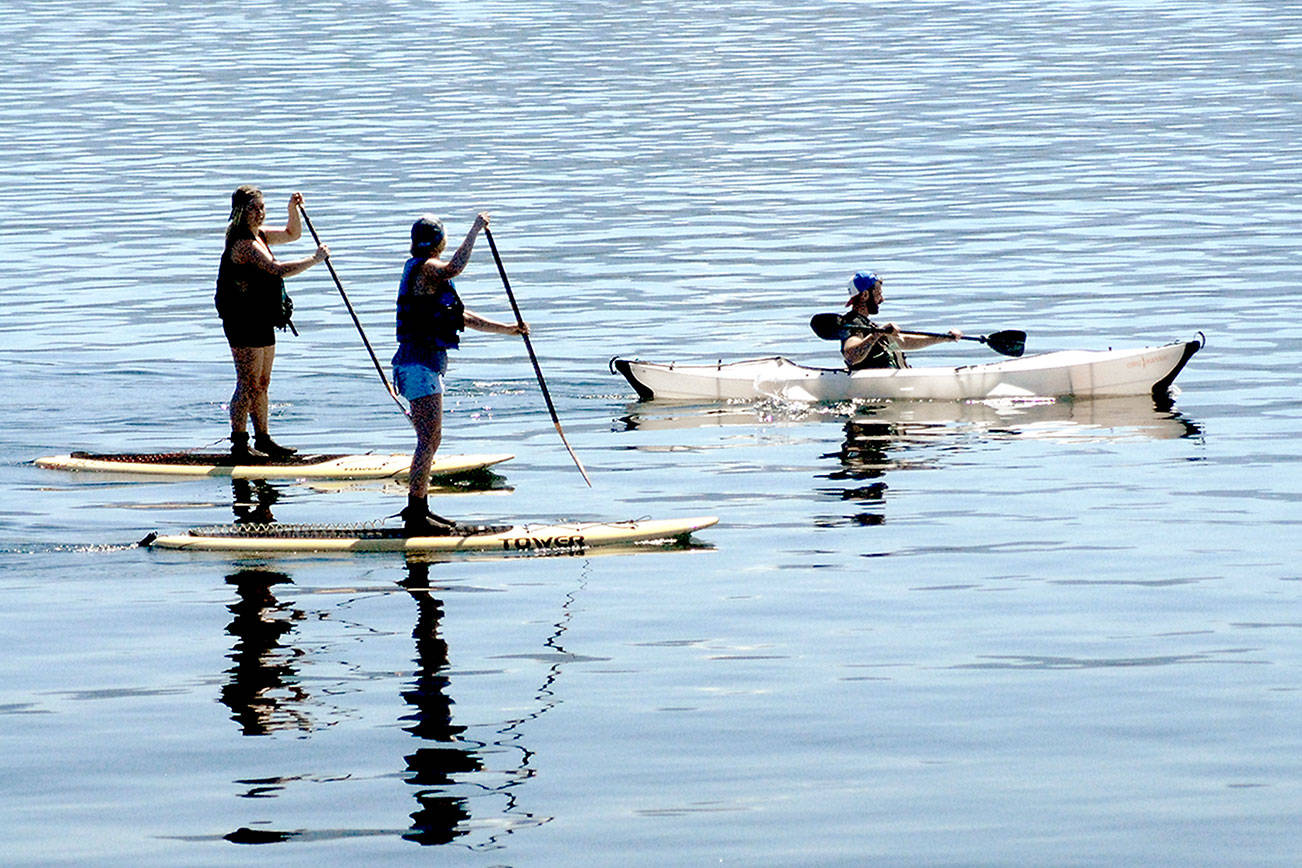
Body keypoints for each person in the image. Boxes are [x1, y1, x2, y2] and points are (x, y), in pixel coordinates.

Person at [393, 212, 528, 536]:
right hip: (418, 366)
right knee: (428, 440)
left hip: (423, 366)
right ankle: (415, 513)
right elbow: (454, 267)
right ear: (439, 242)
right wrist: (476, 230)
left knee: (430, 439)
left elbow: (460, 317)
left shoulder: (427, 276)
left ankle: (420, 508)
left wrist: (507, 330)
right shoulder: (427, 269)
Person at [215, 186, 329, 460]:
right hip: (241, 320)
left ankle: (264, 439)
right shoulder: (244, 243)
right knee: (247, 382)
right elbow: (276, 270)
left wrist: (293, 209)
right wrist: (314, 260)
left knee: (263, 382)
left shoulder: (261, 235)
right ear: (241, 212)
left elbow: (293, 234)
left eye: (262, 207)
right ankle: (240, 444)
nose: (259, 213)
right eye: (254, 209)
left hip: (261, 317)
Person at [838, 271, 962, 369]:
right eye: (878, 294)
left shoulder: (869, 325)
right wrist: (877, 333)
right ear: (865, 295)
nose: (882, 299)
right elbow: (851, 356)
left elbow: (904, 341)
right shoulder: (853, 324)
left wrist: (944, 337)